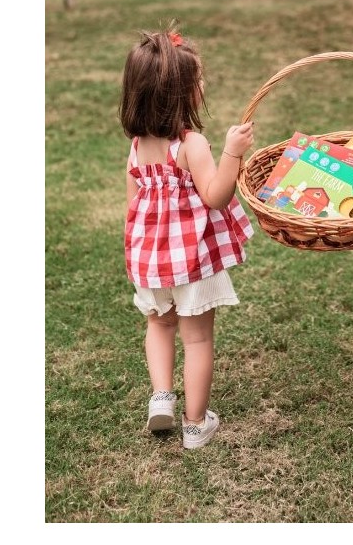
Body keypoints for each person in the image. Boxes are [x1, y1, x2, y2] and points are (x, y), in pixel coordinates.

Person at [118, 22, 255, 449]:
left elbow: (132, 204)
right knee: (196, 339)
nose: (204, 84)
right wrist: (232, 152)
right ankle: (195, 425)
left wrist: (140, 252)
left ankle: (161, 396)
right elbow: (215, 196)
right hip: (191, 259)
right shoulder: (191, 144)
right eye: (198, 80)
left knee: (159, 325)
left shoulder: (138, 146)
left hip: (151, 259)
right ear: (179, 94)